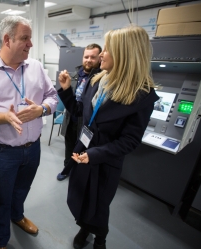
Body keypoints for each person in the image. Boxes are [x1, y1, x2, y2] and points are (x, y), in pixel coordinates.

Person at [57, 25, 159, 249]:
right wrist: (65, 90)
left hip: (104, 162)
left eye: (108, 49)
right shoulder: (97, 81)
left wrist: (94, 155)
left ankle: (100, 239)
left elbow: (129, 140)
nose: (101, 54)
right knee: (82, 198)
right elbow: (79, 113)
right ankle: (84, 228)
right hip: (82, 152)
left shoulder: (141, 96)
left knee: (100, 206)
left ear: (125, 54)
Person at [0, 15, 58, 249]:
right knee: (1, 198)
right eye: (25, 38)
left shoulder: (36, 67)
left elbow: (52, 97)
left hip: (33, 147)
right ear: (7, 39)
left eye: (30, 38)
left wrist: (43, 109)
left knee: (22, 190)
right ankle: (0, 240)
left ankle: (17, 216)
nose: (31, 44)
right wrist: (3, 117)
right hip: (4, 152)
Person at [57, 43, 102, 181]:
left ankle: (78, 173)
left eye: (93, 57)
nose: (88, 60)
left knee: (82, 149)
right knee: (69, 144)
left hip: (86, 121)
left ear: (100, 58)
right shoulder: (78, 74)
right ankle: (66, 169)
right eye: (86, 56)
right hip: (71, 117)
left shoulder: (100, 78)